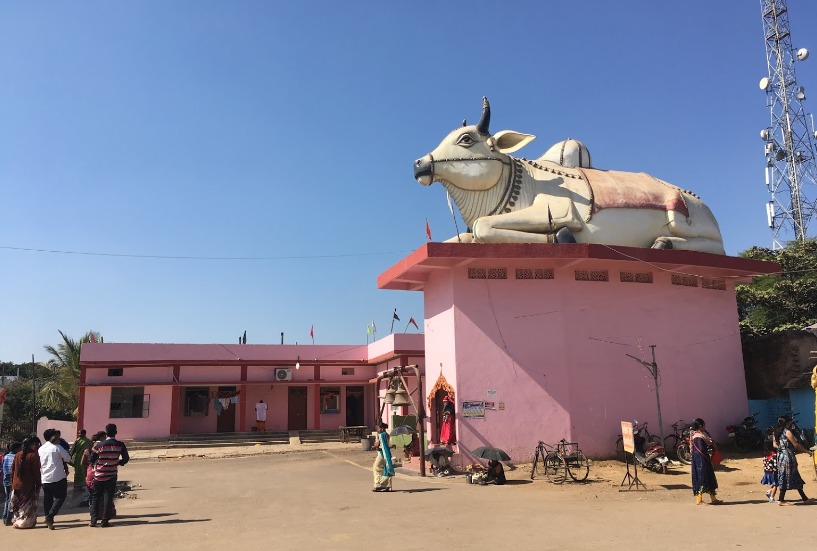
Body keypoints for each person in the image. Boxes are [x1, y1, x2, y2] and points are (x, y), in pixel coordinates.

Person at [89, 423, 130, 527]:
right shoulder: (120, 445)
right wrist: (118, 462)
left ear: (106, 433)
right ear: (116, 432)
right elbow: (126, 459)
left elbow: (91, 459)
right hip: (111, 475)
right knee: (108, 497)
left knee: (96, 497)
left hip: (98, 475)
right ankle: (105, 521)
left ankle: (93, 520)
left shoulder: (99, 445)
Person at [774, 415, 813, 506]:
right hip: (788, 456)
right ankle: (781, 499)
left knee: (790, 476)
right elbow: (796, 446)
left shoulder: (776, 432)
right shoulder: (788, 432)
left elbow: (775, 445)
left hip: (780, 457)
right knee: (791, 475)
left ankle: (804, 498)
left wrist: (782, 447)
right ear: (787, 423)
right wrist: (807, 451)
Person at [39, 428, 72, 529]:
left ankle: (49, 520)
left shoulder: (41, 449)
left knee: (47, 500)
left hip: (45, 478)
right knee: (60, 497)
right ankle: (49, 517)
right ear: (53, 437)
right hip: (58, 477)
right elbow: (68, 458)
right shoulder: (57, 447)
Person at [9, 436, 41, 528]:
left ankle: (17, 521)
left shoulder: (17, 454)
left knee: (18, 506)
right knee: (27, 507)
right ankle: (25, 523)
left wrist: (12, 482)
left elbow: (13, 470)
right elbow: (36, 472)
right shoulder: (33, 455)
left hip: (16, 484)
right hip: (28, 485)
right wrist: (38, 483)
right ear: (32, 445)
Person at [690, 418, 721, 505]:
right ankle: (699, 500)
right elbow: (701, 449)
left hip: (702, 459)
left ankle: (713, 499)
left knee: (708, 477)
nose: (705, 426)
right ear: (700, 425)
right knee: (702, 478)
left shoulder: (701, 434)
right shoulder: (698, 436)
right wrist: (709, 451)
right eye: (704, 425)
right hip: (701, 460)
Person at [85, 432, 115, 519]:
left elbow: (83, 462)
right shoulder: (100, 446)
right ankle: (102, 515)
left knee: (93, 496)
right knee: (103, 495)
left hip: (90, 473)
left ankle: (94, 516)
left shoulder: (87, 450)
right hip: (99, 473)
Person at [2, 442, 22, 526]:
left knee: (7, 499)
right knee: (12, 501)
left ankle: (5, 517)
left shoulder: (5, 457)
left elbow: (2, 467)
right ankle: (8, 519)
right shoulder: (15, 457)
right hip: (12, 481)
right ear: (16, 449)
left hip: (5, 481)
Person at [372, 423, 394, 492]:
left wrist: (374, 446)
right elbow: (387, 445)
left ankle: (379, 483)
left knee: (376, 467)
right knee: (386, 469)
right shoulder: (386, 435)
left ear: (382, 428)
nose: (377, 430)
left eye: (378, 428)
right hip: (386, 454)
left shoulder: (382, 435)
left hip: (382, 454)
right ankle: (388, 485)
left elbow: (378, 444)